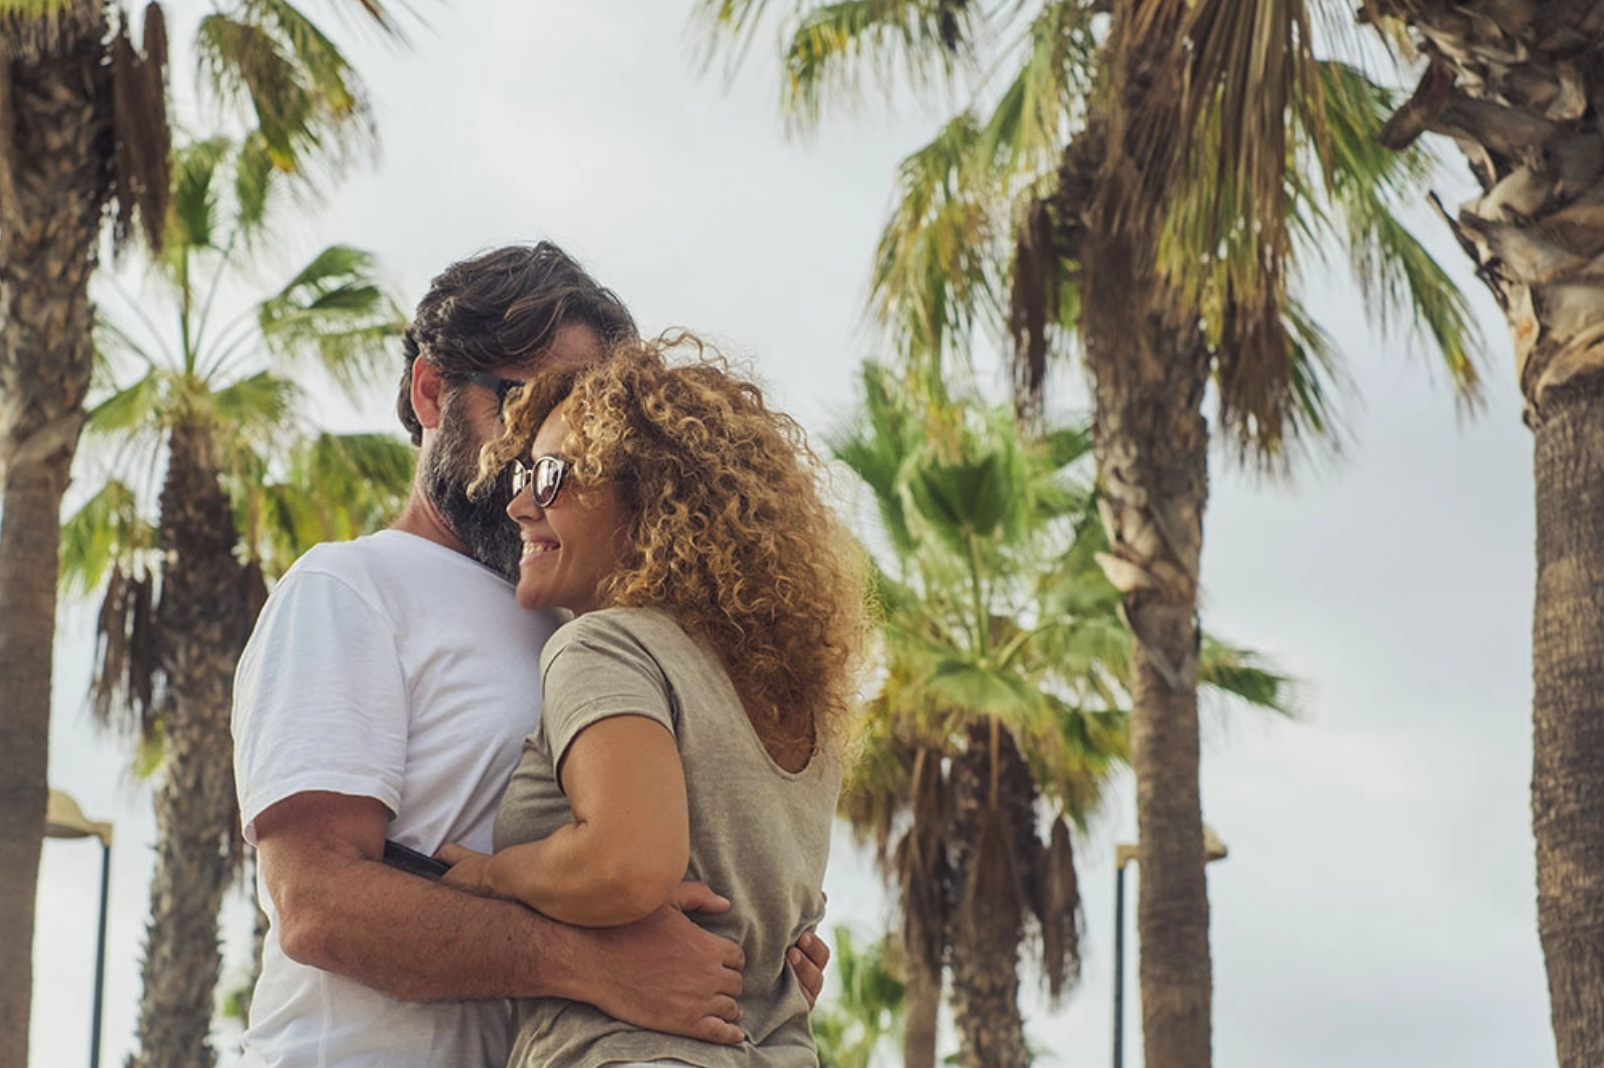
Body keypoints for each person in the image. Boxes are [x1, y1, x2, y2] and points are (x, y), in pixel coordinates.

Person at [231, 245, 829, 1068]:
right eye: (518, 401)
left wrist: (754, 971)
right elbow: (317, 902)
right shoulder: (349, 588)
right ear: (432, 391)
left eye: (580, 414)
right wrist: (595, 965)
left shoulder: (594, 620)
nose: (539, 450)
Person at [439, 334, 869, 1068]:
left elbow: (628, 864)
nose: (518, 503)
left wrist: (490, 875)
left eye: (550, 475)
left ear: (647, 494)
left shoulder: (607, 647)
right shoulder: (794, 704)